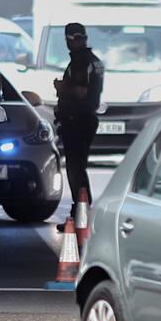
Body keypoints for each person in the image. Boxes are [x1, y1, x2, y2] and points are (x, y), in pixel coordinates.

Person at [53, 23, 103, 216]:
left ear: (70, 39)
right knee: (78, 166)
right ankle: (81, 209)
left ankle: (81, 210)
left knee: (75, 168)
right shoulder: (94, 60)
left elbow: (80, 91)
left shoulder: (81, 61)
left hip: (77, 120)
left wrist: (61, 87)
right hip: (86, 118)